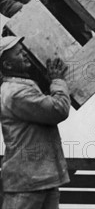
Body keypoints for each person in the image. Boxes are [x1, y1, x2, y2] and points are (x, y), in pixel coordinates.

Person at [0, 35, 70, 209]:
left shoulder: (23, 86)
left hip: (41, 179)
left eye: (24, 50)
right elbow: (58, 109)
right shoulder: (16, 93)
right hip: (28, 182)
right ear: (7, 65)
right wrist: (58, 80)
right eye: (18, 54)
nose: (25, 54)